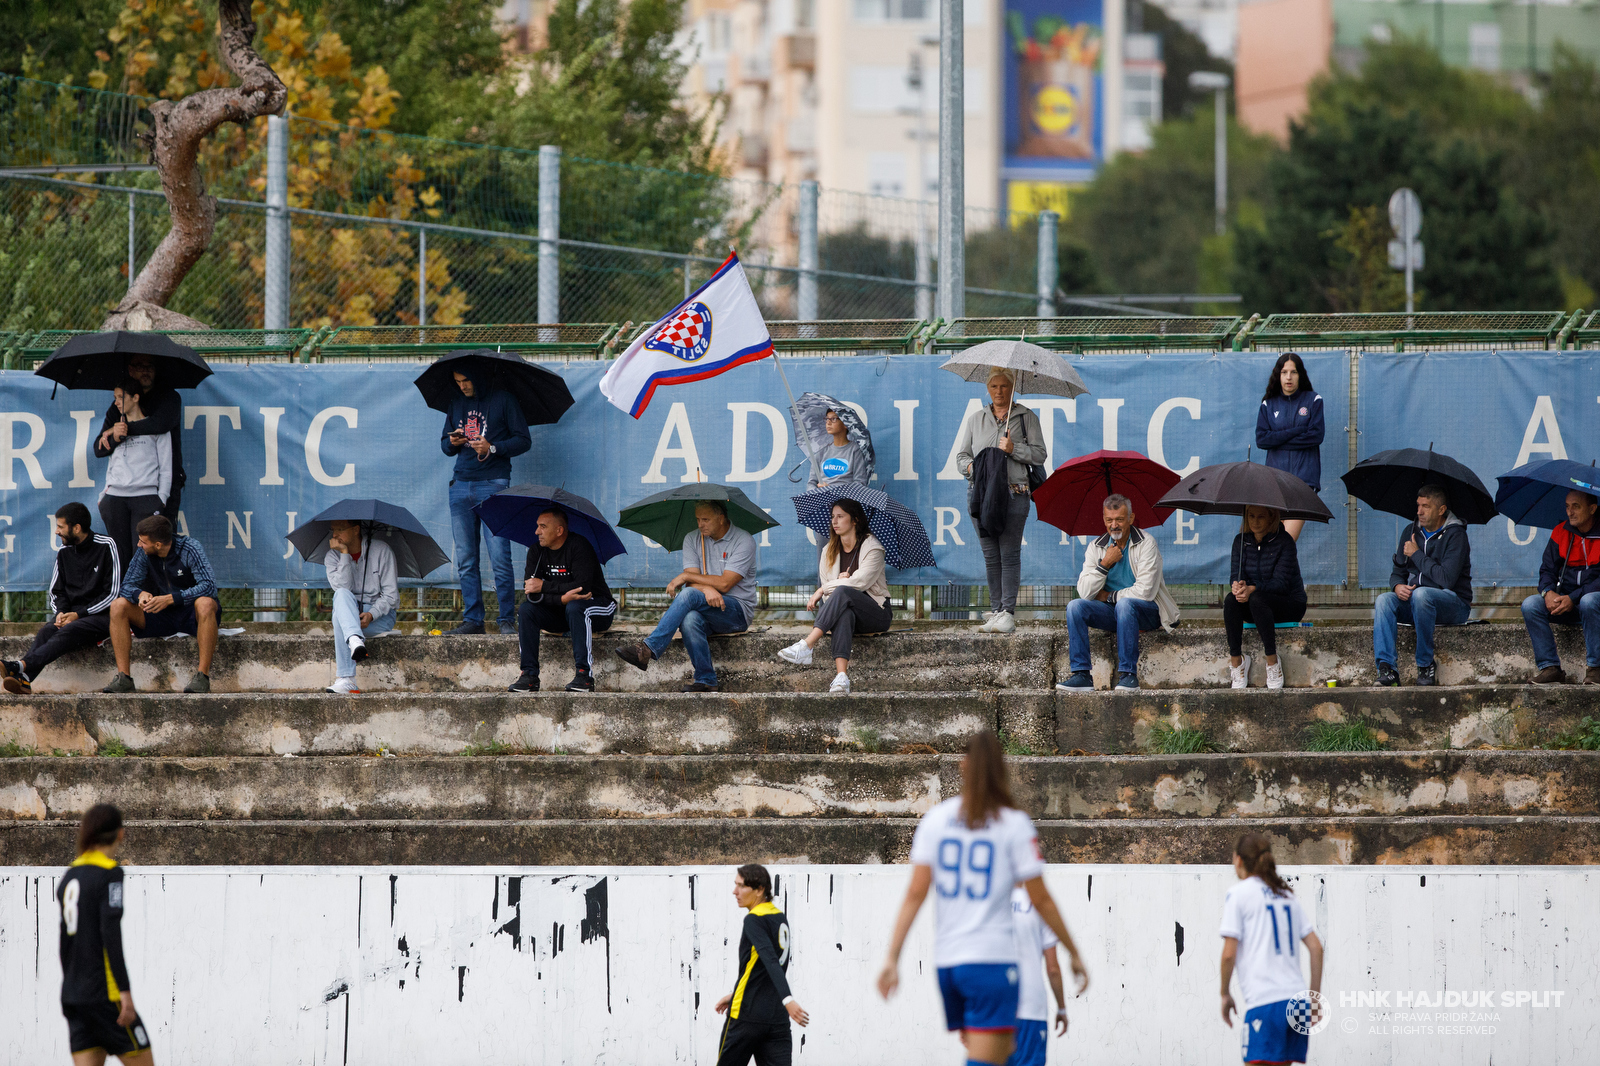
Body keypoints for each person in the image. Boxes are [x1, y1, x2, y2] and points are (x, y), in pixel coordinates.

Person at [877, 731, 1088, 1066]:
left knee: (990, 1057)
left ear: (964, 767)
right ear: (1001, 770)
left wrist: (892, 958)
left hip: (948, 965)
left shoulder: (935, 821)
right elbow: (1042, 900)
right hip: (991, 963)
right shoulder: (1012, 825)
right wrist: (1074, 952)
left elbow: (915, 893)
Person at [615, 500, 756, 692]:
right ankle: (706, 680)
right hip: (706, 609)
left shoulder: (744, 540)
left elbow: (725, 583)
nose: (700, 524)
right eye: (697, 519)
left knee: (689, 594)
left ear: (721, 518)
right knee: (689, 620)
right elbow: (693, 586)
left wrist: (688, 576)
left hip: (736, 611)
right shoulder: (692, 538)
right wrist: (705, 588)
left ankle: (648, 648)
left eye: (706, 519)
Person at [58, 804, 157, 1065]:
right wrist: (124, 992)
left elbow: (64, 944)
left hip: (74, 997)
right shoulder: (109, 874)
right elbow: (109, 934)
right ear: (120, 834)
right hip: (105, 996)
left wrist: (72, 986)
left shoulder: (70, 875)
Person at [954, 368, 1047, 635]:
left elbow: (1040, 454)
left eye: (1004, 386)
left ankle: (1007, 612)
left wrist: (1013, 449)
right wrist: (974, 469)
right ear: (987, 388)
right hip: (981, 495)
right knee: (990, 555)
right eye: (994, 386)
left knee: (1009, 554)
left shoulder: (1026, 417)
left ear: (1012, 387)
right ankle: (995, 612)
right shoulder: (976, 419)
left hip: (1014, 492)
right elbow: (961, 456)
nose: (999, 391)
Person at [1219, 833, 1324, 1066]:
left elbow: (1228, 955)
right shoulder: (1286, 895)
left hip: (1267, 1004)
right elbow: (1316, 948)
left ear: (1238, 860)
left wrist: (1225, 993)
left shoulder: (1239, 894)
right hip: (1296, 1002)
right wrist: (1314, 1000)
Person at [440, 366, 531, 635]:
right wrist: (454, 442)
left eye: (466, 379)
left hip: (494, 484)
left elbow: (523, 440)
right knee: (466, 559)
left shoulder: (503, 400)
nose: (463, 386)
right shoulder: (456, 403)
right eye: (458, 382)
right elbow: (445, 447)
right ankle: (473, 620)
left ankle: (505, 620)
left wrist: (493, 447)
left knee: (500, 557)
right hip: (460, 483)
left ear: (478, 376)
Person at [1058, 495, 1180, 692]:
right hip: (1113, 614)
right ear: (1104, 520)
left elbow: (1145, 592)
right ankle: (1081, 675)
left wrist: (1108, 596)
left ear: (1131, 519)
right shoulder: (1096, 547)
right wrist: (1105, 564)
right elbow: (1085, 592)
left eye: (1120, 520)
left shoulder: (1146, 543)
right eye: (1109, 520)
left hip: (1147, 612)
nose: (1114, 525)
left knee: (1125, 605)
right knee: (1075, 607)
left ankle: (1128, 675)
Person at [0, 504, 120, 696]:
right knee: (47, 630)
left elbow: (112, 594)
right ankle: (25, 680)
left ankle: (20, 665)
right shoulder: (63, 553)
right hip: (73, 618)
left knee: (71, 627)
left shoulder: (106, 545)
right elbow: (56, 591)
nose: (57, 531)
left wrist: (79, 614)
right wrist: (62, 613)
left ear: (77, 528)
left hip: (101, 617)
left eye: (61, 527)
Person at [776, 498, 891, 695]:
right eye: (832, 517)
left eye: (840, 516)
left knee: (843, 591)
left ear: (854, 520)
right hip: (849, 613)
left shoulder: (873, 547)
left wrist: (825, 588)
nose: (834, 521)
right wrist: (838, 584)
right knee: (844, 611)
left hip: (875, 613)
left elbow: (860, 582)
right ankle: (841, 677)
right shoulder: (828, 551)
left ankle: (808, 645)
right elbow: (832, 603)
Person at [102, 515, 219, 694]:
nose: (139, 545)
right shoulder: (143, 553)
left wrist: (173, 598)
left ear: (158, 545)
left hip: (190, 613)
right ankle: (124, 678)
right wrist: (139, 594)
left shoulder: (190, 548)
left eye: (143, 542)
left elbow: (209, 586)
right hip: (162, 613)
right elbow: (126, 586)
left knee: (206, 604)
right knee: (118, 606)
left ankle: (202, 677)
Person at [1372, 484, 1472, 687]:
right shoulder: (1410, 531)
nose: (1419, 511)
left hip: (1454, 605)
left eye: (1426, 506)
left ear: (1441, 510)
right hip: (1417, 603)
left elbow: (1446, 579)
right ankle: (1387, 669)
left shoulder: (1456, 535)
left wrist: (1416, 554)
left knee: (1422, 595)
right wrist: (1398, 586)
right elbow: (1397, 573)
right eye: (1418, 505)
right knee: (1384, 600)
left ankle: (1425, 665)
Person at [509, 508, 617, 693]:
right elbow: (531, 593)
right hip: (561, 612)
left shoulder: (580, 546)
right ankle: (529, 676)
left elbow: (582, 588)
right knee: (526, 610)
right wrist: (561, 599)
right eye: (537, 526)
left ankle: (584, 676)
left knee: (576, 607)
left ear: (559, 531)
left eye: (543, 527)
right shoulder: (537, 551)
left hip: (597, 607)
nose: (537, 532)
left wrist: (544, 586)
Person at [712, 863, 810, 1066]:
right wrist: (735, 993)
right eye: (735, 885)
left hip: (746, 1016)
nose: (735, 891)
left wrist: (788, 999)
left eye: (741, 886)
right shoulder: (778, 917)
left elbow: (770, 960)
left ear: (759, 890)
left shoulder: (754, 920)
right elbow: (765, 969)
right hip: (776, 1019)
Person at [94, 351, 185, 526]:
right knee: (124, 550)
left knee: (160, 545)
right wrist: (115, 437)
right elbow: (99, 449)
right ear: (130, 370)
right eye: (139, 366)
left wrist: (120, 429)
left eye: (149, 366)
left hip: (163, 485)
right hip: (121, 493)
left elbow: (160, 425)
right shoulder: (117, 407)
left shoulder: (169, 398)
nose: (145, 371)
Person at [1223, 506, 1306, 690]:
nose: (1255, 521)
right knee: (1230, 600)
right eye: (1251, 516)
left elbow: (1281, 584)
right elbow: (1235, 574)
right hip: (1256, 604)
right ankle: (1237, 662)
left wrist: (1253, 589)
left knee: (1257, 599)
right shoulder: (1240, 541)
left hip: (1289, 604)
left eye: (1261, 516)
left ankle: (1273, 662)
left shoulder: (1285, 542)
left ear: (1272, 518)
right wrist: (1238, 586)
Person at [1523, 489, 1600, 685]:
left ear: (1592, 509)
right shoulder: (1561, 531)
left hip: (1592, 604)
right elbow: (1547, 570)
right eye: (1567, 506)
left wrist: (1572, 598)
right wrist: (1548, 592)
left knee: (1589, 600)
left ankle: (1596, 669)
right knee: (1530, 604)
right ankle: (1550, 668)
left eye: (1576, 506)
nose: (1569, 512)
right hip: (1567, 602)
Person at [95, 377, 172, 571]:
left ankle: (143, 598)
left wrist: (160, 498)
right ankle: (121, 599)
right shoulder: (114, 430)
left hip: (145, 497)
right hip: (115, 497)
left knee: (143, 553)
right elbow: (110, 462)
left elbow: (166, 467)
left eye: (121, 397)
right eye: (115, 397)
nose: (116, 402)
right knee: (119, 555)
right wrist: (104, 494)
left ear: (135, 397)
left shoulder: (158, 428)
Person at [323, 519, 398, 696]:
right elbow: (343, 588)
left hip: (379, 618)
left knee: (338, 619)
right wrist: (344, 554)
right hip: (350, 613)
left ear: (356, 530)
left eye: (340, 529)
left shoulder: (382, 550)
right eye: (333, 530)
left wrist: (372, 614)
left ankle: (346, 679)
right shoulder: (332, 556)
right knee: (340, 595)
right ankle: (355, 640)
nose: (334, 535)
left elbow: (391, 596)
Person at [1254, 353, 1323, 542]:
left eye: (1293, 372)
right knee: (1271, 542)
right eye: (1284, 372)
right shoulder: (1268, 404)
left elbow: (1316, 436)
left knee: (1286, 542)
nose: (1289, 377)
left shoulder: (1314, 400)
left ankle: (1284, 572)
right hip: (1274, 483)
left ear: (1300, 375)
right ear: (1278, 375)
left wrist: (1278, 439)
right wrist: (1297, 430)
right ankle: (1286, 573)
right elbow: (1262, 440)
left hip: (1303, 482)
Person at [1005, 886, 1070, 1066]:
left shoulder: (989, 904)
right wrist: (1062, 1009)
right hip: (1031, 1008)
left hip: (995, 1008)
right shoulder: (1038, 904)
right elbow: (1053, 969)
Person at [806, 408, 871, 490]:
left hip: (845, 500)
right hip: (822, 498)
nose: (828, 422)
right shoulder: (821, 451)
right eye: (827, 419)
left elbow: (860, 483)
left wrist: (831, 489)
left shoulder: (855, 450)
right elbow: (812, 482)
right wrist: (819, 492)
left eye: (833, 419)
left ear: (845, 424)